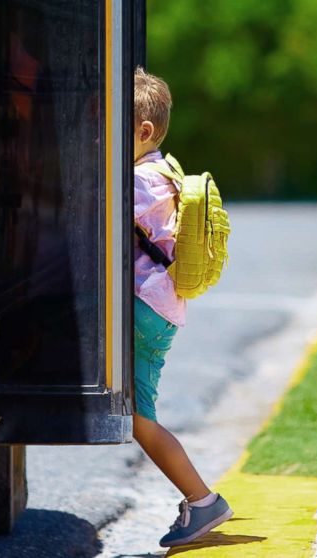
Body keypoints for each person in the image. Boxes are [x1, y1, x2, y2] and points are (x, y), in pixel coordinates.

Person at [132, 67, 233, 548]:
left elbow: (91, 212)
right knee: (137, 414)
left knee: (140, 419)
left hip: (143, 306)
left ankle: (203, 501)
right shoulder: (164, 169)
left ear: (143, 131)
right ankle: (200, 500)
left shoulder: (140, 183)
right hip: (159, 306)